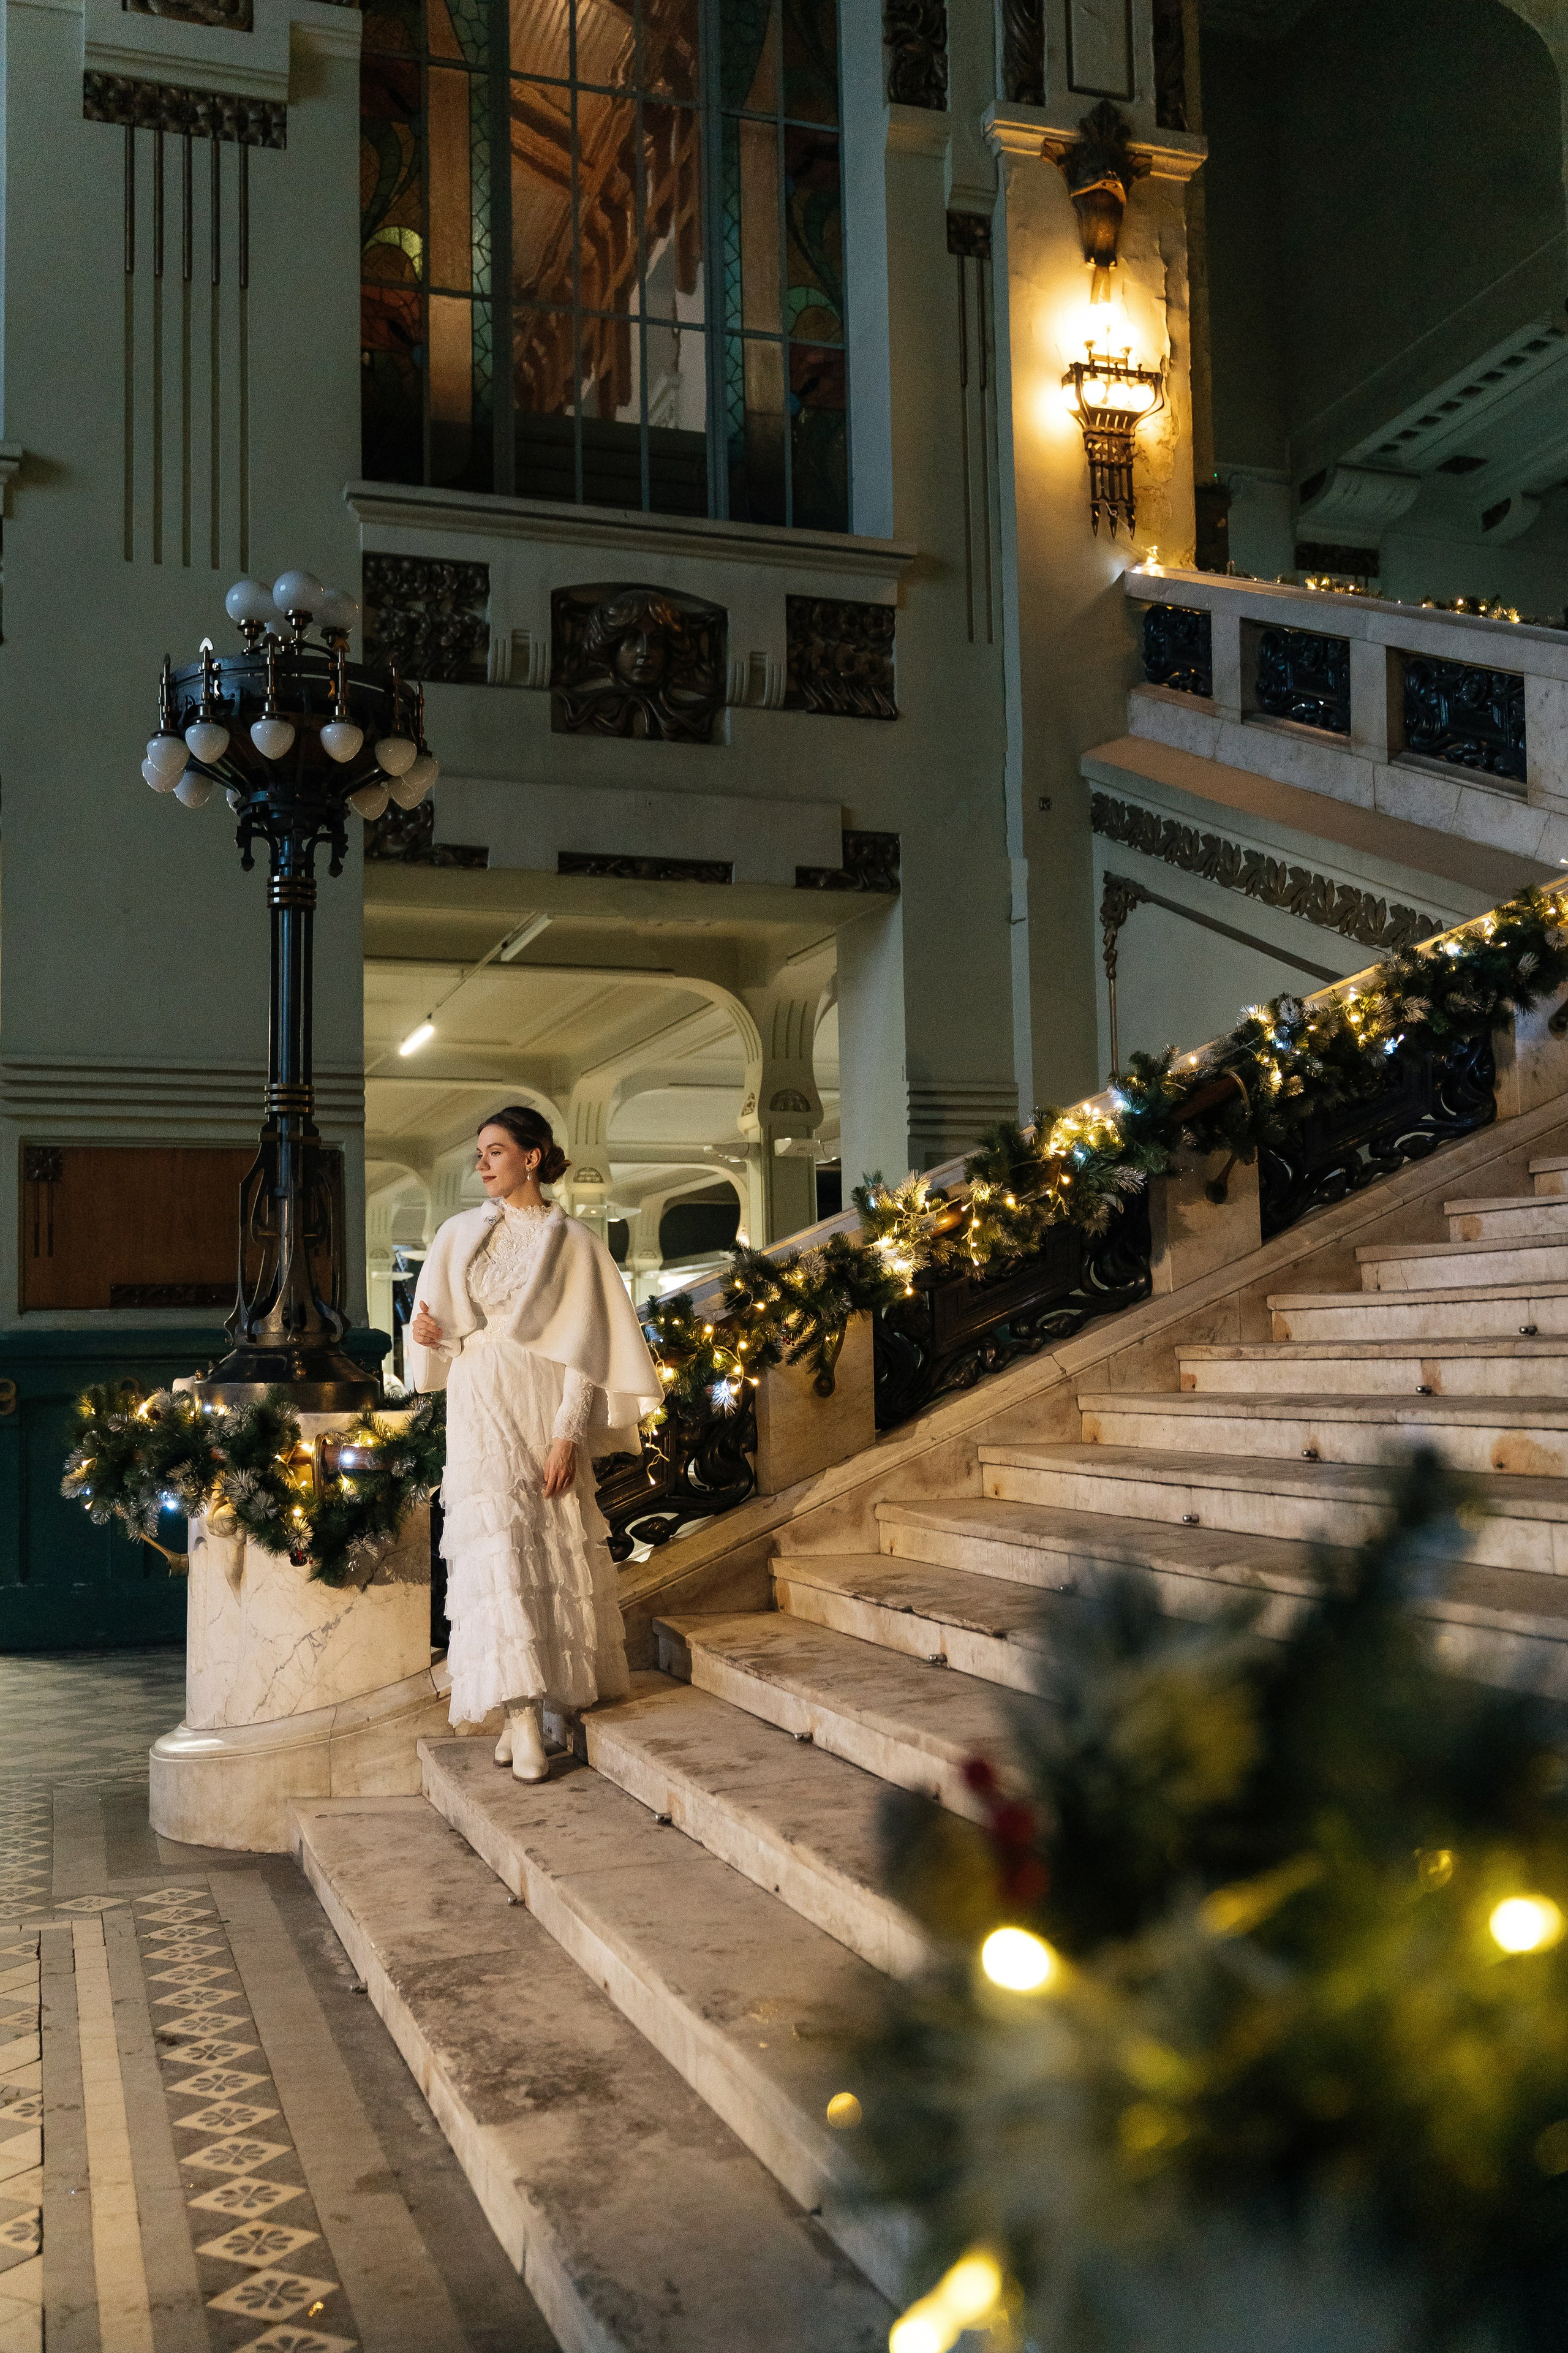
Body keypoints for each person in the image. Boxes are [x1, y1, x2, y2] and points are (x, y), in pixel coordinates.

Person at [405, 1108, 662, 1782]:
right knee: (496, 1551)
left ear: (533, 1156)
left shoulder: (575, 1239)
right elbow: (454, 1331)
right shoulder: (460, 1232)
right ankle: (516, 1717)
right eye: (479, 1152)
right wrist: (436, 1339)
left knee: (551, 1541)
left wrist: (566, 1434)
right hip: (479, 1392)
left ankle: (548, 1703)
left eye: (495, 1151)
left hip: (545, 1396)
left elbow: (588, 1347)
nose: (482, 1164)